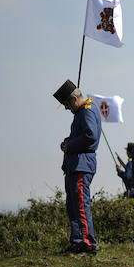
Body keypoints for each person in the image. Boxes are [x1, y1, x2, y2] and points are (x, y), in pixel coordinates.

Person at [53, 79, 100, 255]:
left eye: (66, 104)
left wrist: (70, 146)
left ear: (73, 99)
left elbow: (90, 137)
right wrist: (68, 142)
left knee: (80, 204)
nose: (66, 108)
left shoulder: (87, 111)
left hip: (82, 164)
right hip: (75, 165)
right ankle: (77, 240)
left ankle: (88, 244)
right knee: (72, 205)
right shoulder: (80, 112)